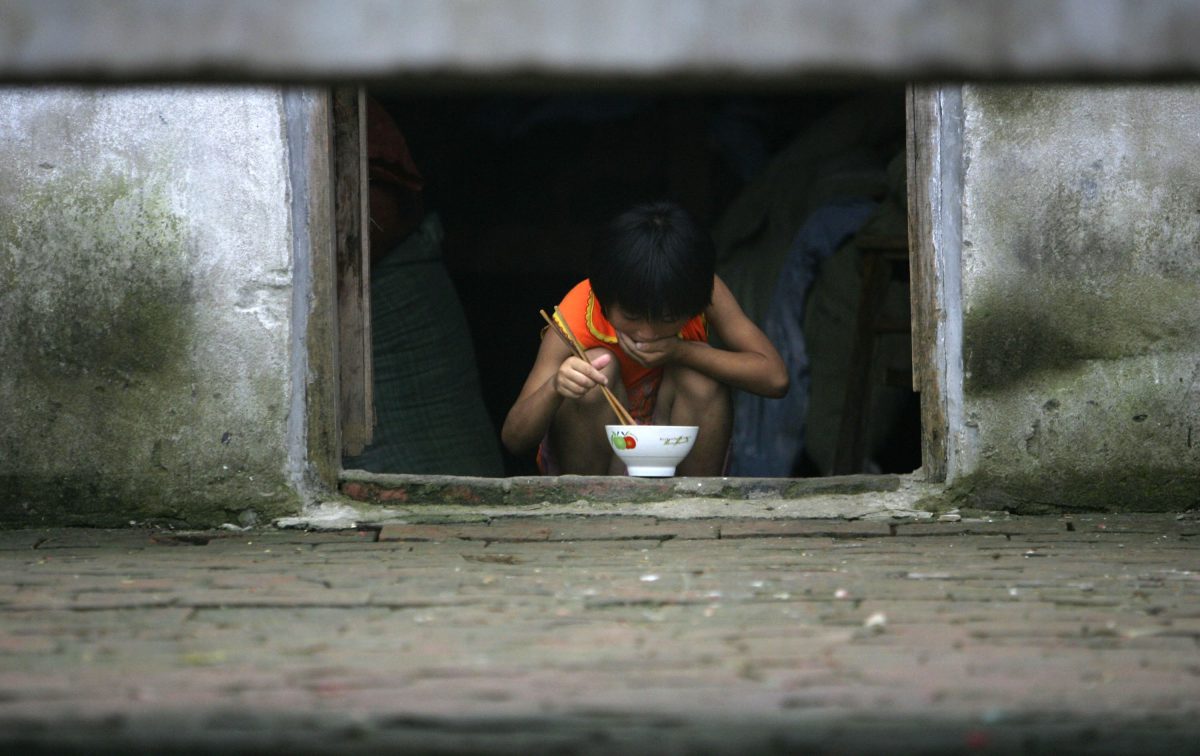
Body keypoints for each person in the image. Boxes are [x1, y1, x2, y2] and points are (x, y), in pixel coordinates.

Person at [501, 201, 789, 476]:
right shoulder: (578, 313)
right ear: (602, 296)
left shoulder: (697, 289)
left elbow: (775, 379)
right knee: (594, 369)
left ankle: (698, 502)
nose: (647, 333)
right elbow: (515, 438)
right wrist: (556, 386)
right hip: (599, 467)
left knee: (700, 375)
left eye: (667, 319)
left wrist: (681, 352)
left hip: (676, 461)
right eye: (632, 316)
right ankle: (587, 502)